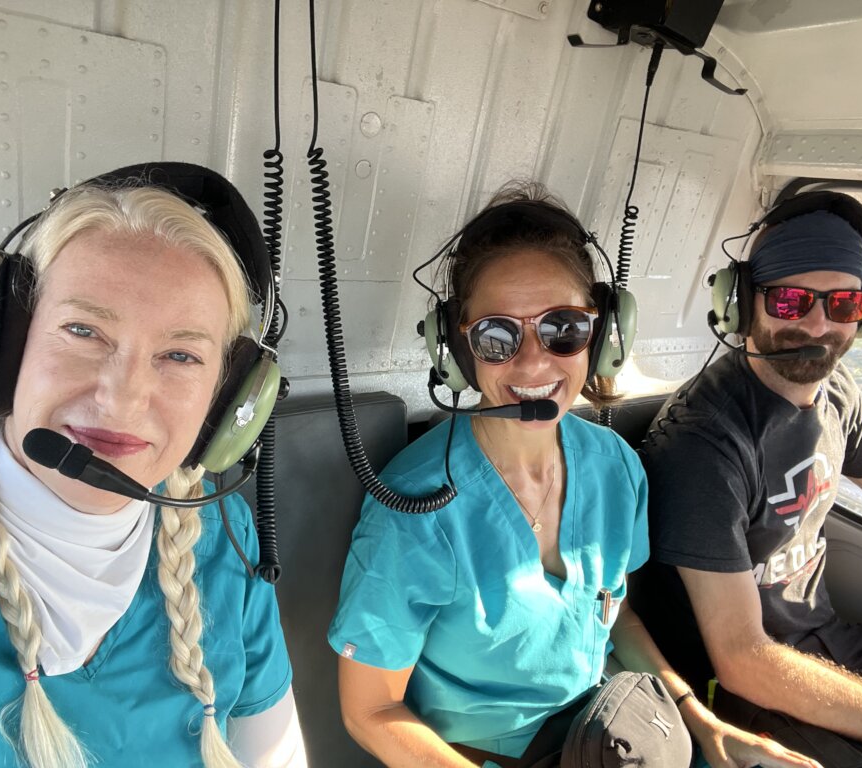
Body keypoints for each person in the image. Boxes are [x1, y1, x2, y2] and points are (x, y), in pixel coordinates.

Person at [326, 182, 819, 768]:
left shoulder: (616, 467)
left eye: (563, 328)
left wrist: (701, 721)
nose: (534, 361)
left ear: (602, 336)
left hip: (606, 730)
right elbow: (370, 710)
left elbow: (615, 616)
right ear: (457, 350)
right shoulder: (415, 507)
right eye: (497, 335)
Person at [0, 165, 307, 767]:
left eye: (180, 355)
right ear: (3, 346)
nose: (122, 401)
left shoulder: (224, 539)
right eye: (83, 330)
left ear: (227, 402)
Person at [637, 191, 862, 764]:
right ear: (742, 302)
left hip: (832, 646)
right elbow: (743, 659)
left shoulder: (837, 390)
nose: (818, 325)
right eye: (791, 299)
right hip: (743, 693)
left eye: (844, 303)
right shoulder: (703, 441)